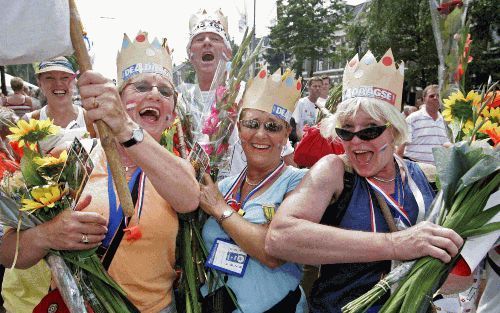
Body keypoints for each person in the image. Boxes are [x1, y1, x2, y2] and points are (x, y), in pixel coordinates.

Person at [0, 31, 199, 313]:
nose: (154, 93)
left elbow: (188, 199)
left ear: (171, 114)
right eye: (140, 87)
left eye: (165, 91)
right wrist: (47, 235)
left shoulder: (176, 167)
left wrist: (126, 129)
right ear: (116, 99)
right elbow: (8, 253)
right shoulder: (68, 159)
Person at [265, 50, 463, 312]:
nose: (356, 141)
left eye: (370, 129)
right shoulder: (335, 170)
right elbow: (280, 237)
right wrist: (396, 245)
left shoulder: (423, 177)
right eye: (346, 130)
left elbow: (460, 278)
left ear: (393, 130)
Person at [198, 67, 307, 312]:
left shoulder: (300, 183)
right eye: (252, 124)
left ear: (286, 134)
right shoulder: (224, 187)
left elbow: (272, 251)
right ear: (239, 128)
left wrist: (220, 210)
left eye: (272, 126)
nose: (261, 134)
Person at [180, 9, 295, 179]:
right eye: (199, 39)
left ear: (228, 52)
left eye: (215, 38)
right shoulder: (180, 101)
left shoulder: (251, 94)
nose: (207, 42)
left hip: (245, 197)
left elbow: (285, 157)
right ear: (190, 55)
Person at [397, 84, 451, 164]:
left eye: (438, 96)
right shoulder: (413, 118)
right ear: (424, 99)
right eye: (431, 96)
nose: (436, 98)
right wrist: (401, 167)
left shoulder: (445, 121)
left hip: (436, 171)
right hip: (415, 169)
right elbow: (400, 147)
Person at [292, 76, 323, 141]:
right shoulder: (300, 103)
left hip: (316, 142)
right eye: (315, 86)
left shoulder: (322, 106)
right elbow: (296, 126)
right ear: (309, 88)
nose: (317, 88)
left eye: (319, 86)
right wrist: (301, 142)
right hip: (303, 141)